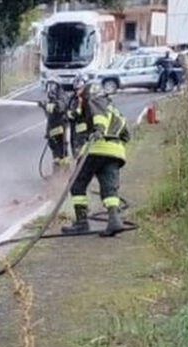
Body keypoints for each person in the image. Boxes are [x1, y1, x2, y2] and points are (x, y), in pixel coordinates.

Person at [62, 81, 131, 237]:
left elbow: (99, 117)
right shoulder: (113, 108)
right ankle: (114, 220)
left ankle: (81, 222)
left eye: (80, 93)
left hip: (95, 149)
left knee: (76, 184)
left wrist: (98, 130)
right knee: (109, 188)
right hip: (115, 152)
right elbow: (127, 135)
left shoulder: (94, 99)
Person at [37, 82, 70, 172]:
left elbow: (58, 108)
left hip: (60, 127)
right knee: (56, 152)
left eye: (51, 88)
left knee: (62, 151)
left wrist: (45, 105)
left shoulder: (61, 97)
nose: (49, 90)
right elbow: (50, 116)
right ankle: (57, 171)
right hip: (53, 128)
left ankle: (64, 171)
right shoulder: (54, 98)